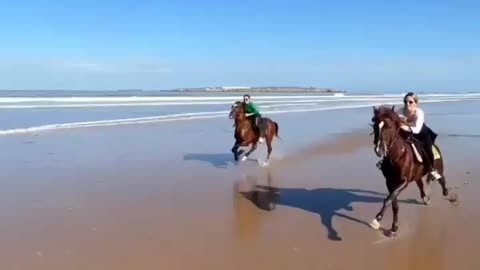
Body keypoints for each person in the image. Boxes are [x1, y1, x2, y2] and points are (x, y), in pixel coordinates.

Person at [395, 92, 442, 180]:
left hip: (421, 132)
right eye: (405, 102)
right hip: (406, 132)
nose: (407, 104)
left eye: (410, 102)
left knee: (428, 148)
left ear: (416, 103)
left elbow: (417, 129)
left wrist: (403, 126)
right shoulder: (400, 112)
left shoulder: (419, 113)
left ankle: (432, 169)